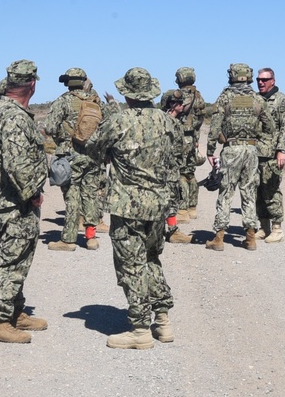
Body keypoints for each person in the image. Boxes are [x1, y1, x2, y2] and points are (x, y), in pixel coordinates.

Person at [87, 68, 180, 349]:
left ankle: (140, 329)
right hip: (159, 204)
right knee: (152, 259)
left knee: (132, 265)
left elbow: (93, 150)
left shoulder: (118, 121)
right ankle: (163, 322)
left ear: (127, 93)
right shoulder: (168, 123)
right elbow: (179, 155)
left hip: (128, 206)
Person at [0, 60, 48, 344]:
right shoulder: (15, 117)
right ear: (31, 84)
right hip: (14, 203)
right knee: (12, 260)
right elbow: (17, 164)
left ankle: (14, 311)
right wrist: (33, 193)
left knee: (12, 257)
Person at [204, 63, 275, 251]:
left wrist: (210, 150)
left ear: (232, 76)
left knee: (226, 192)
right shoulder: (256, 99)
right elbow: (270, 126)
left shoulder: (225, 97)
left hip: (231, 150)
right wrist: (257, 138)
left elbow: (215, 126)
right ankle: (250, 237)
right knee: (249, 192)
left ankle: (219, 238)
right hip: (251, 151)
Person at [43, 68, 105, 252]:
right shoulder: (95, 102)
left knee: (72, 197)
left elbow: (50, 128)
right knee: (91, 195)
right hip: (93, 156)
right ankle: (91, 237)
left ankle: (69, 239)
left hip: (70, 156)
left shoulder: (63, 101)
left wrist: (65, 135)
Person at [255, 67, 285, 244]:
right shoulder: (255, 99)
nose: (261, 83)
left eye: (264, 79)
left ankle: (277, 228)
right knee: (257, 191)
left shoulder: (282, 101)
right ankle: (264, 227)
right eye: (258, 80)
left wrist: (282, 150)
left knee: (271, 190)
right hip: (255, 153)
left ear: (273, 80)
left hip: (272, 154)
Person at [174, 67, 206, 221]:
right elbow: (200, 119)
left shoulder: (181, 95)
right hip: (192, 137)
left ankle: (182, 209)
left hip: (181, 137)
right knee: (190, 173)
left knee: (180, 172)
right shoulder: (198, 96)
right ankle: (193, 207)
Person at [160, 89, 192, 244]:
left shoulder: (160, 120)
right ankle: (172, 231)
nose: (182, 105)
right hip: (169, 167)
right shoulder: (171, 122)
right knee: (172, 199)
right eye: (179, 103)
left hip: (162, 166)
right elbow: (178, 148)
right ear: (171, 104)